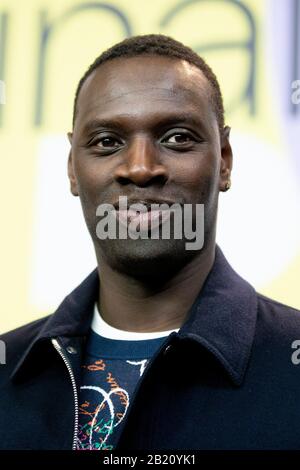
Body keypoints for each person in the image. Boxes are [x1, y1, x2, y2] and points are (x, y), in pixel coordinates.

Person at [1, 34, 300, 451]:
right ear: (73, 168)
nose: (140, 168)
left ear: (225, 160)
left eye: (176, 137)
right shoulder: (8, 370)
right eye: (107, 141)